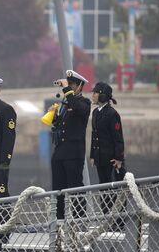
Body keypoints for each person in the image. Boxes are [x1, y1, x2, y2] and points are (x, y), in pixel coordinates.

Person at [49, 70, 91, 219]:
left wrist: (67, 90)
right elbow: (60, 126)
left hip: (74, 153)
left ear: (80, 86)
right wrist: (54, 117)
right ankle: (59, 221)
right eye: (68, 84)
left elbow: (78, 108)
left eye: (72, 84)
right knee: (58, 190)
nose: (70, 87)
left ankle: (79, 220)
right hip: (60, 151)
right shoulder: (65, 104)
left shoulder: (84, 102)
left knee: (76, 189)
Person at [90, 82, 126, 220]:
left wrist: (118, 158)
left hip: (111, 159)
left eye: (95, 92)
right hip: (100, 158)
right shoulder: (95, 112)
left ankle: (118, 221)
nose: (92, 95)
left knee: (114, 190)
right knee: (103, 189)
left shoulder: (112, 114)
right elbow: (95, 135)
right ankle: (107, 218)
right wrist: (93, 155)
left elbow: (118, 138)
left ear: (103, 95)